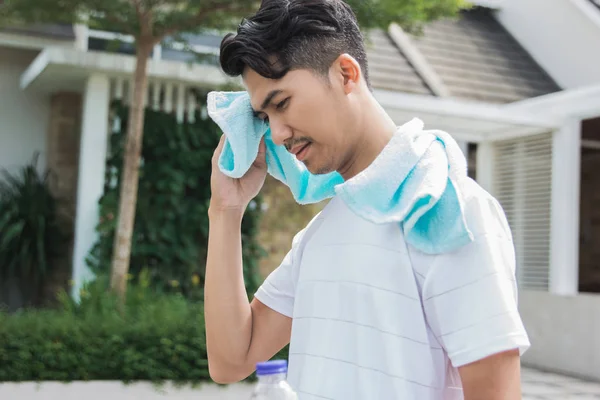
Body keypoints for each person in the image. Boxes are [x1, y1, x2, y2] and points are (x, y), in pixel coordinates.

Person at [204, 0, 530, 399]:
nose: (276, 134)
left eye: (282, 104)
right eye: (264, 117)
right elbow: (231, 360)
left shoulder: (448, 211)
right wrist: (225, 210)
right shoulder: (322, 232)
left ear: (345, 74)